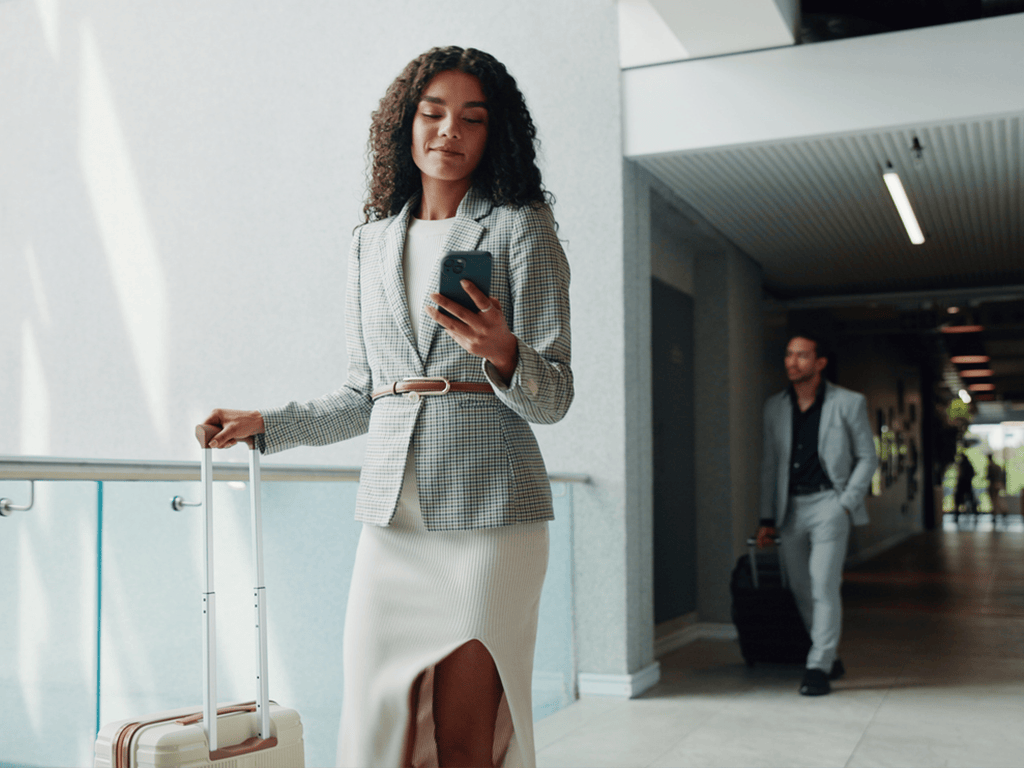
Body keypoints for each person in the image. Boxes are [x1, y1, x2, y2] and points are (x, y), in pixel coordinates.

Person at [202, 46, 572, 768]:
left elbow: (554, 395)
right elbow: (362, 396)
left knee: (466, 741)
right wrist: (266, 424)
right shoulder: (370, 243)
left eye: (471, 117)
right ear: (405, 125)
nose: (448, 131)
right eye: (432, 113)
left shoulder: (521, 228)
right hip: (393, 522)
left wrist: (502, 350)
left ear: (494, 134)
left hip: (492, 519)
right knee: (378, 733)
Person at [757, 333, 877, 696]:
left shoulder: (848, 403)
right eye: (789, 355)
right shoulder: (774, 407)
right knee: (801, 588)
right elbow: (770, 466)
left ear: (820, 362)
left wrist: (846, 502)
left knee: (824, 583)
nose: (793, 362)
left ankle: (817, 667)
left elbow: (867, 457)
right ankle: (828, 653)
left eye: (802, 355)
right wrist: (766, 519)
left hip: (829, 504)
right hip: (790, 508)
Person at [954, 452, 977, 524]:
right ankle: (975, 515)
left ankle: (957, 516)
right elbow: (973, 474)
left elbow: (960, 474)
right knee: (971, 500)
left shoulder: (961, 465)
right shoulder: (969, 465)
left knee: (958, 500)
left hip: (962, 484)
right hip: (968, 485)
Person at [987, 454, 1007, 522]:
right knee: (998, 500)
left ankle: (996, 514)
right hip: (998, 485)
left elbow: (989, 477)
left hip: (993, 485)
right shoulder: (997, 466)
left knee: (994, 501)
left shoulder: (990, 466)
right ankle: (1003, 511)